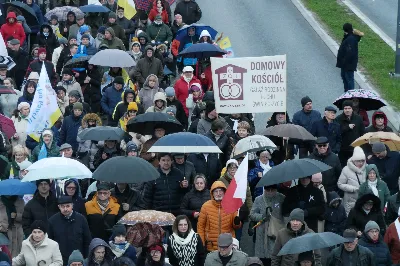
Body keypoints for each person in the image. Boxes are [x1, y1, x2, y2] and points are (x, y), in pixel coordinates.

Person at [197, 181, 242, 252]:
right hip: (211, 247)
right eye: (216, 191)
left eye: (220, 191)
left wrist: (237, 222)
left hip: (228, 245)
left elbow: (236, 227)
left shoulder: (231, 205)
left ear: (224, 192)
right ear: (212, 193)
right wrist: (201, 244)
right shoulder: (205, 207)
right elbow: (200, 227)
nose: (218, 194)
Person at [47, 196, 92, 263]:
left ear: (72, 206)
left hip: (78, 260)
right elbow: (50, 241)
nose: (65, 209)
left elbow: (87, 240)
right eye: (62, 206)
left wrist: (86, 258)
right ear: (59, 207)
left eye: (67, 206)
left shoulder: (81, 219)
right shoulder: (52, 221)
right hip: (60, 259)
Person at [250, 184, 285, 266]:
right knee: (262, 259)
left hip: (276, 231)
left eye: (272, 190)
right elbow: (252, 214)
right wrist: (262, 217)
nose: (269, 192)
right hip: (262, 232)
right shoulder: (258, 199)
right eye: (267, 190)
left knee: (276, 257)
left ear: (276, 189)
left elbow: (286, 214)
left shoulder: (281, 198)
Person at [337, 146, 367, 215]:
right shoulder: (346, 169)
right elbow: (340, 184)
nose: (361, 163)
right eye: (358, 161)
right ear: (353, 160)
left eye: (362, 161)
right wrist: (353, 189)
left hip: (364, 202)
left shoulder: (367, 168)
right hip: (350, 203)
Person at [336, 100, 365, 167]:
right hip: (343, 149)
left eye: (349, 108)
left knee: (355, 167)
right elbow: (337, 132)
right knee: (344, 167)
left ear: (352, 109)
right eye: (345, 108)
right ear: (343, 109)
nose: (347, 110)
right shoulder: (338, 119)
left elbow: (362, 132)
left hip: (355, 148)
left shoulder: (358, 118)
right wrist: (347, 127)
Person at [336, 23, 364, 92]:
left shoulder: (351, 39)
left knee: (349, 79)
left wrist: (344, 61)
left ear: (345, 30)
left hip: (348, 64)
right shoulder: (349, 37)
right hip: (345, 63)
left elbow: (350, 52)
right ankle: (347, 92)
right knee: (344, 77)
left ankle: (350, 94)